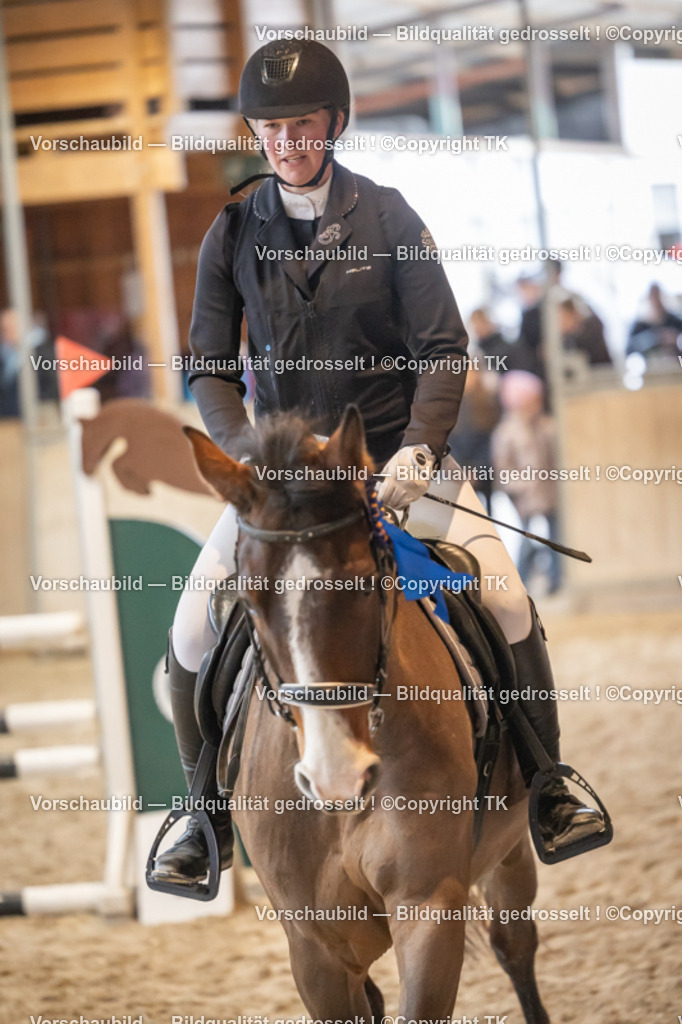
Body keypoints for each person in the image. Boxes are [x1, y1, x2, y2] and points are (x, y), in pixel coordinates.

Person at [150, 39, 606, 886]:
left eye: (302, 122)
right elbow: (209, 365)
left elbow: (443, 345)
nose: (286, 140)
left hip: (400, 465)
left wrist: (419, 451)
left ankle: (548, 784)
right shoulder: (231, 231)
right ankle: (199, 818)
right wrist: (254, 459)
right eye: (270, 125)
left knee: (504, 597)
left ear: (334, 122)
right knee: (189, 626)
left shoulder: (390, 215)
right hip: (285, 488)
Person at [492, 372, 561, 594]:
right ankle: (520, 580)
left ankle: (555, 580)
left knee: (556, 537)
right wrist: (522, 486)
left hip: (550, 493)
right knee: (526, 538)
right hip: (524, 498)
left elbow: (556, 459)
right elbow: (503, 469)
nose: (537, 404)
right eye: (533, 400)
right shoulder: (506, 433)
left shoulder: (548, 426)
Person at [627, 283, 682, 361]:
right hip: (650, 370)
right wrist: (656, 338)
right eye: (653, 297)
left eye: (658, 296)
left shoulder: (675, 322)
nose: (657, 301)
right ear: (648, 299)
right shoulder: (640, 326)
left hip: (676, 366)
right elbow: (630, 351)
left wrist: (676, 339)